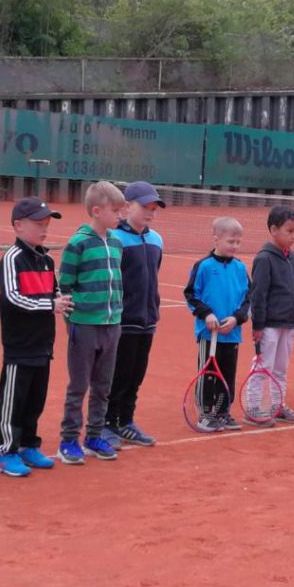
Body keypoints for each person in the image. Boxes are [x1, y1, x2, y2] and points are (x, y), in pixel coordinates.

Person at [0, 198, 71, 477]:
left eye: (47, 223)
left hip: (42, 345)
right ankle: (6, 450)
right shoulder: (12, 259)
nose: (45, 228)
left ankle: (28, 445)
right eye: (39, 223)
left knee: (34, 400)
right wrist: (51, 305)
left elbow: (54, 291)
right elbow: (14, 298)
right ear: (18, 226)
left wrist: (60, 298)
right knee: (14, 400)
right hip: (19, 346)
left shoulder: (47, 260)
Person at [58, 181, 126, 463]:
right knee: (79, 385)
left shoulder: (117, 243)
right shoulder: (78, 244)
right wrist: (73, 323)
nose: (120, 216)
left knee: (103, 385)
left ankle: (95, 435)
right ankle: (69, 439)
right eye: (116, 210)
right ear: (97, 211)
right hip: (84, 326)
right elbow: (65, 287)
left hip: (112, 325)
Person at [105, 182, 165, 448]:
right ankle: (107, 423)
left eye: (154, 208)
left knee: (135, 376)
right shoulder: (114, 239)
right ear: (127, 207)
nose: (150, 212)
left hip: (147, 321)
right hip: (121, 321)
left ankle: (126, 421)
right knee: (117, 374)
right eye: (145, 207)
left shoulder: (156, 240)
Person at [184, 217, 251, 430]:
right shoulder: (203, 266)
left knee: (227, 376)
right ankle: (205, 414)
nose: (235, 246)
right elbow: (191, 295)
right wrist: (207, 315)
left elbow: (248, 299)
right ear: (216, 239)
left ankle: (222, 412)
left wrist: (236, 318)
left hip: (232, 333)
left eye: (238, 242)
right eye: (231, 241)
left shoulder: (240, 268)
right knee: (208, 375)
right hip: (209, 334)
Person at [247, 205, 294, 423]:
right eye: (290, 231)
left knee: (281, 368)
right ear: (273, 229)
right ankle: (253, 408)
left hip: (288, 324)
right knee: (263, 366)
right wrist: (258, 326)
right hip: (269, 325)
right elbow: (258, 294)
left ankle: (277, 405)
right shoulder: (263, 259)